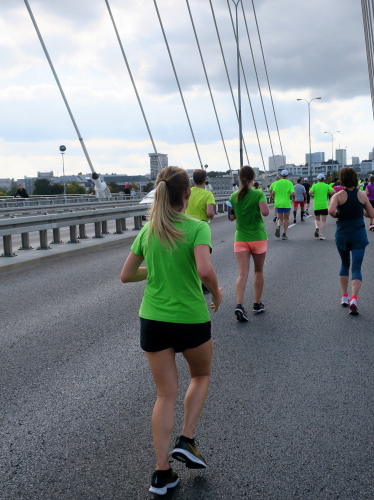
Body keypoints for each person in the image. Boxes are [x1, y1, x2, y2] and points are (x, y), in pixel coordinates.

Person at [119, 166, 222, 496]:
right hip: (190, 317)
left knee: (165, 395)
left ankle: (161, 473)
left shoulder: (148, 231)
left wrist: (156, 270)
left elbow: (126, 275)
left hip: (153, 319)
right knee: (200, 376)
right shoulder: (197, 228)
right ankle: (186, 439)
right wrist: (217, 293)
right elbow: (204, 269)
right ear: (187, 194)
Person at [328, 167, 374, 315]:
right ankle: (354, 298)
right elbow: (371, 214)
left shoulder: (338, 195)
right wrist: (360, 210)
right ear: (355, 179)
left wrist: (339, 214)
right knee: (356, 267)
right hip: (358, 234)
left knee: (344, 264)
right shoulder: (362, 195)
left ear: (342, 179)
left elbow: (331, 211)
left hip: (343, 233)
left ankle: (344, 296)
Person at [229, 166, 270, 321]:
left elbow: (231, 217)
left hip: (241, 238)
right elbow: (265, 212)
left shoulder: (234, 196)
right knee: (258, 271)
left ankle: (239, 305)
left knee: (242, 273)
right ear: (254, 178)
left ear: (240, 178)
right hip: (258, 237)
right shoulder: (258, 193)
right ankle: (257, 304)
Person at [186, 169, 216, 294]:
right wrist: (211, 215)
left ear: (193, 180)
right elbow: (210, 213)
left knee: (188, 256)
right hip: (201, 227)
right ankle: (204, 285)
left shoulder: (187, 192)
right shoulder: (207, 194)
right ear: (205, 180)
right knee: (202, 258)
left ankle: (188, 283)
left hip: (186, 226)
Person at [269, 170, 294, 240]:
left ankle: (278, 226)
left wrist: (273, 197)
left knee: (280, 218)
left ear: (281, 175)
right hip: (286, 203)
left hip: (278, 203)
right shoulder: (290, 183)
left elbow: (273, 192)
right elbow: (293, 193)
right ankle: (284, 234)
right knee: (286, 219)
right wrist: (293, 198)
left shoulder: (276, 183)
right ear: (287, 175)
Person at [309, 174, 334, 240]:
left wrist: (313, 195)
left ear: (318, 179)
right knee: (324, 221)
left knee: (317, 219)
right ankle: (321, 234)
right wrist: (328, 193)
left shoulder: (314, 186)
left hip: (317, 205)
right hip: (324, 205)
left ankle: (317, 227)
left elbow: (310, 192)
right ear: (324, 179)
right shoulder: (327, 186)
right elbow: (333, 191)